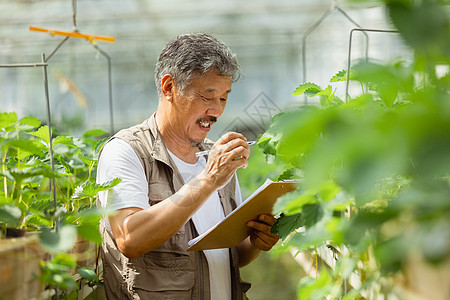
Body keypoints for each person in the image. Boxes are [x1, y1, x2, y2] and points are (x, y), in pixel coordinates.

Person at [96, 33, 279, 300]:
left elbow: (231, 255)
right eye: (208, 96)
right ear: (169, 87)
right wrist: (208, 180)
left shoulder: (216, 159)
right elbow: (129, 238)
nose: (216, 111)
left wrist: (256, 242)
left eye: (224, 98)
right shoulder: (126, 151)